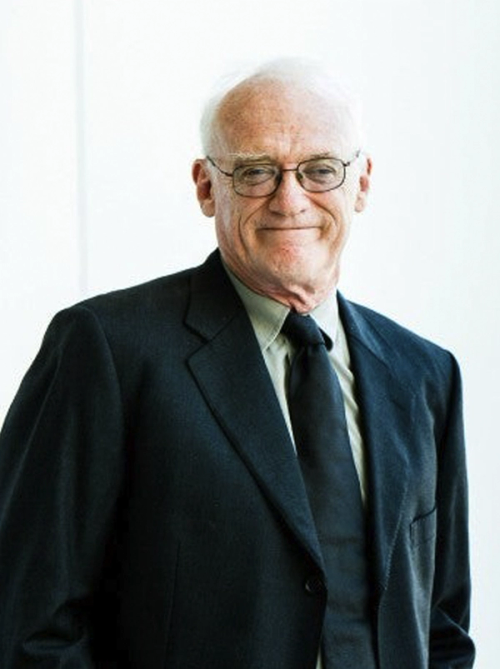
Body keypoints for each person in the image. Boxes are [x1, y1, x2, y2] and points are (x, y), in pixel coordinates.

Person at [0, 59, 475, 668]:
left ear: (361, 183)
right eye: (255, 172)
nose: (290, 199)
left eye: (320, 170)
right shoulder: (106, 351)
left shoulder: (425, 375)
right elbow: (32, 626)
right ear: (206, 186)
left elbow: (442, 628)